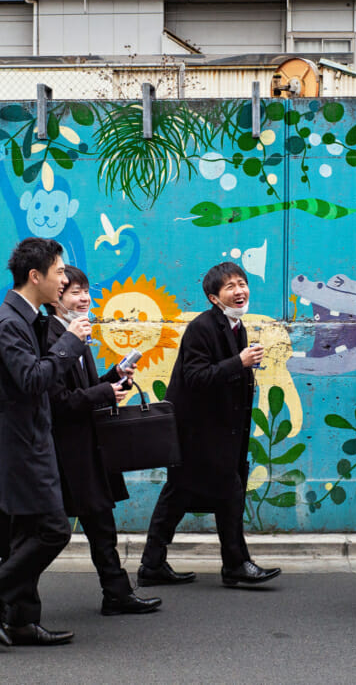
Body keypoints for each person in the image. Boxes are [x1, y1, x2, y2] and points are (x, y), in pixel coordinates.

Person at [0, 237, 89, 647]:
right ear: (35, 276)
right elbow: (34, 378)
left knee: (27, 533)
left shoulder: (26, 318)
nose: (65, 280)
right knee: (54, 530)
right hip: (18, 447)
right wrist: (71, 343)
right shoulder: (8, 324)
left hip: (27, 441)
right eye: (59, 273)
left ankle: (22, 621)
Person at [138, 262, 281, 588]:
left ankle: (154, 564)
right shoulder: (203, 328)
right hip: (197, 433)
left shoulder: (235, 326)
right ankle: (235, 565)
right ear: (213, 298)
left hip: (217, 433)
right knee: (207, 492)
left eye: (242, 283)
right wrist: (239, 363)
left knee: (200, 494)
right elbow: (196, 377)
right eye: (230, 286)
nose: (239, 290)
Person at [44, 266, 162, 616]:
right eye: (74, 292)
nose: (84, 299)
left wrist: (114, 377)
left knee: (100, 522)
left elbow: (82, 387)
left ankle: (117, 592)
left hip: (86, 445)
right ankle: (3, 591)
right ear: (56, 298)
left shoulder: (77, 333)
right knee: (42, 532)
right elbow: (57, 399)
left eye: (86, 292)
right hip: (65, 449)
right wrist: (104, 392)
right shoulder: (52, 336)